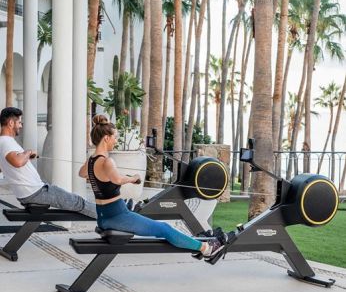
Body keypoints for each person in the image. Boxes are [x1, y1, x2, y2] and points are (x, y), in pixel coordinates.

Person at [78, 114, 224, 259]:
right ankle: (206, 249)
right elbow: (117, 179)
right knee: (164, 229)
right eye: (115, 137)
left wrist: (98, 177)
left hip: (104, 217)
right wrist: (133, 178)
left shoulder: (91, 161)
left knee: (152, 223)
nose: (115, 141)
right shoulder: (107, 161)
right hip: (118, 216)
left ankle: (198, 244)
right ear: (106, 138)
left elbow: (83, 173)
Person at [0, 107, 96, 218]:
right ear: (11, 123)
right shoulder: (6, 142)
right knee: (78, 202)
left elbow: (9, 164)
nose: (21, 126)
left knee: (76, 201)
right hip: (35, 192)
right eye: (19, 123)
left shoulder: (4, 142)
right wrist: (28, 152)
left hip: (32, 191)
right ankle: (110, 219)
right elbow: (17, 162)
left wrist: (26, 157)